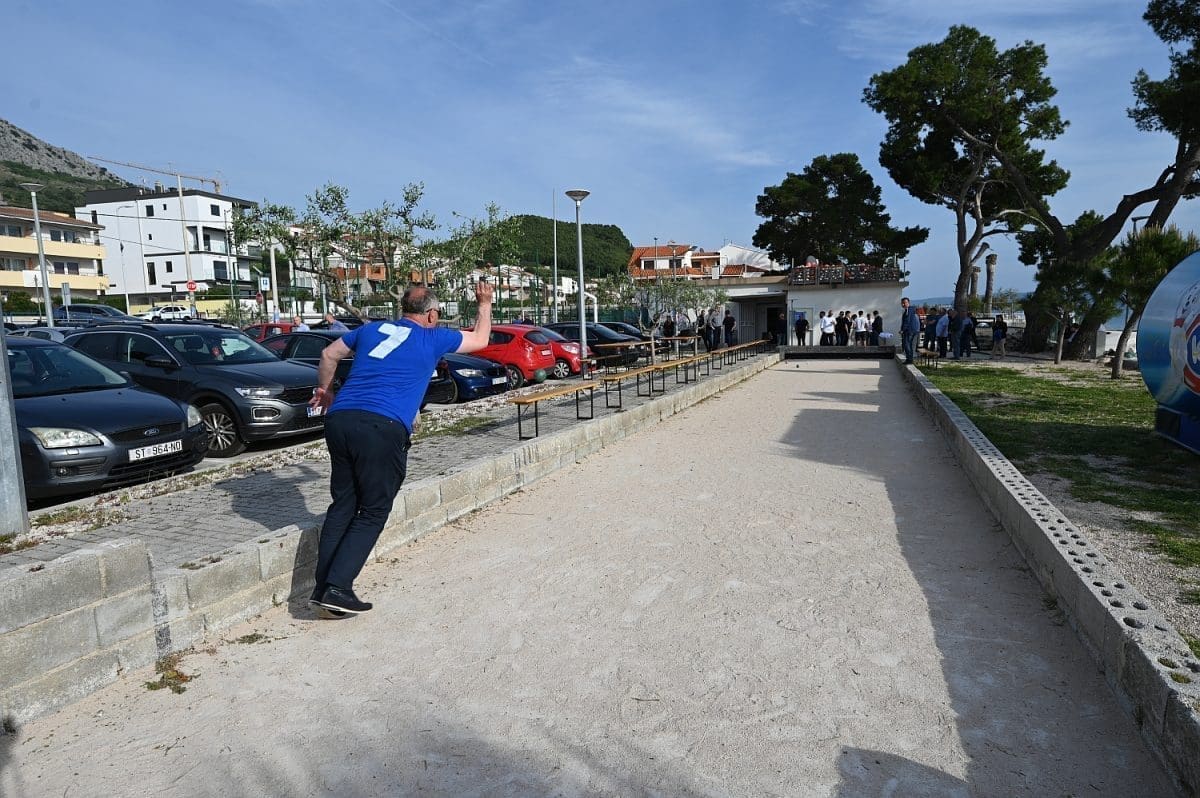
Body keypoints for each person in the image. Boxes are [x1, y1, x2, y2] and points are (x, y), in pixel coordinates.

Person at [306, 282, 495, 616]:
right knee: (374, 510)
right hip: (382, 426)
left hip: (340, 420)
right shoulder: (433, 337)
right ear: (432, 315)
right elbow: (480, 339)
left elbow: (328, 355)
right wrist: (485, 303)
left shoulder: (370, 329)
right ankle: (338, 588)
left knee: (344, 505)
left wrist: (325, 389)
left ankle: (323, 589)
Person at [899, 296, 921, 364]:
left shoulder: (910, 309)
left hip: (910, 330)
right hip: (912, 330)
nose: (903, 304)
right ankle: (910, 359)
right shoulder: (907, 310)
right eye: (902, 303)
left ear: (908, 303)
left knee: (907, 345)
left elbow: (907, 321)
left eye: (905, 303)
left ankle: (909, 359)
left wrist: (902, 330)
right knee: (909, 345)